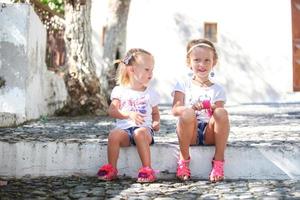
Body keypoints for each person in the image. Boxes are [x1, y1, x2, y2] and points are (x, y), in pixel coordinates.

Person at [97, 48, 160, 183]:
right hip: (125, 132)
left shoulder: (151, 93)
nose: (151, 74)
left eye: (152, 70)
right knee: (114, 134)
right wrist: (128, 114)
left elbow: (155, 113)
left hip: (144, 132)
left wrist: (156, 122)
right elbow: (112, 111)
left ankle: (147, 169)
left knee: (139, 133)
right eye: (146, 70)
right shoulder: (120, 90)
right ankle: (111, 168)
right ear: (131, 70)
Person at [171, 39, 230, 182]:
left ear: (213, 63)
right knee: (187, 113)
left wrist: (211, 106)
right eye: (197, 60)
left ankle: (218, 161)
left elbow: (219, 113)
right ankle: (184, 159)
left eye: (206, 60)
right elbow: (175, 110)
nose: (202, 65)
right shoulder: (183, 84)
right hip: (190, 131)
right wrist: (189, 108)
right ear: (188, 62)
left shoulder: (218, 89)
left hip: (210, 132)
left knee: (222, 112)